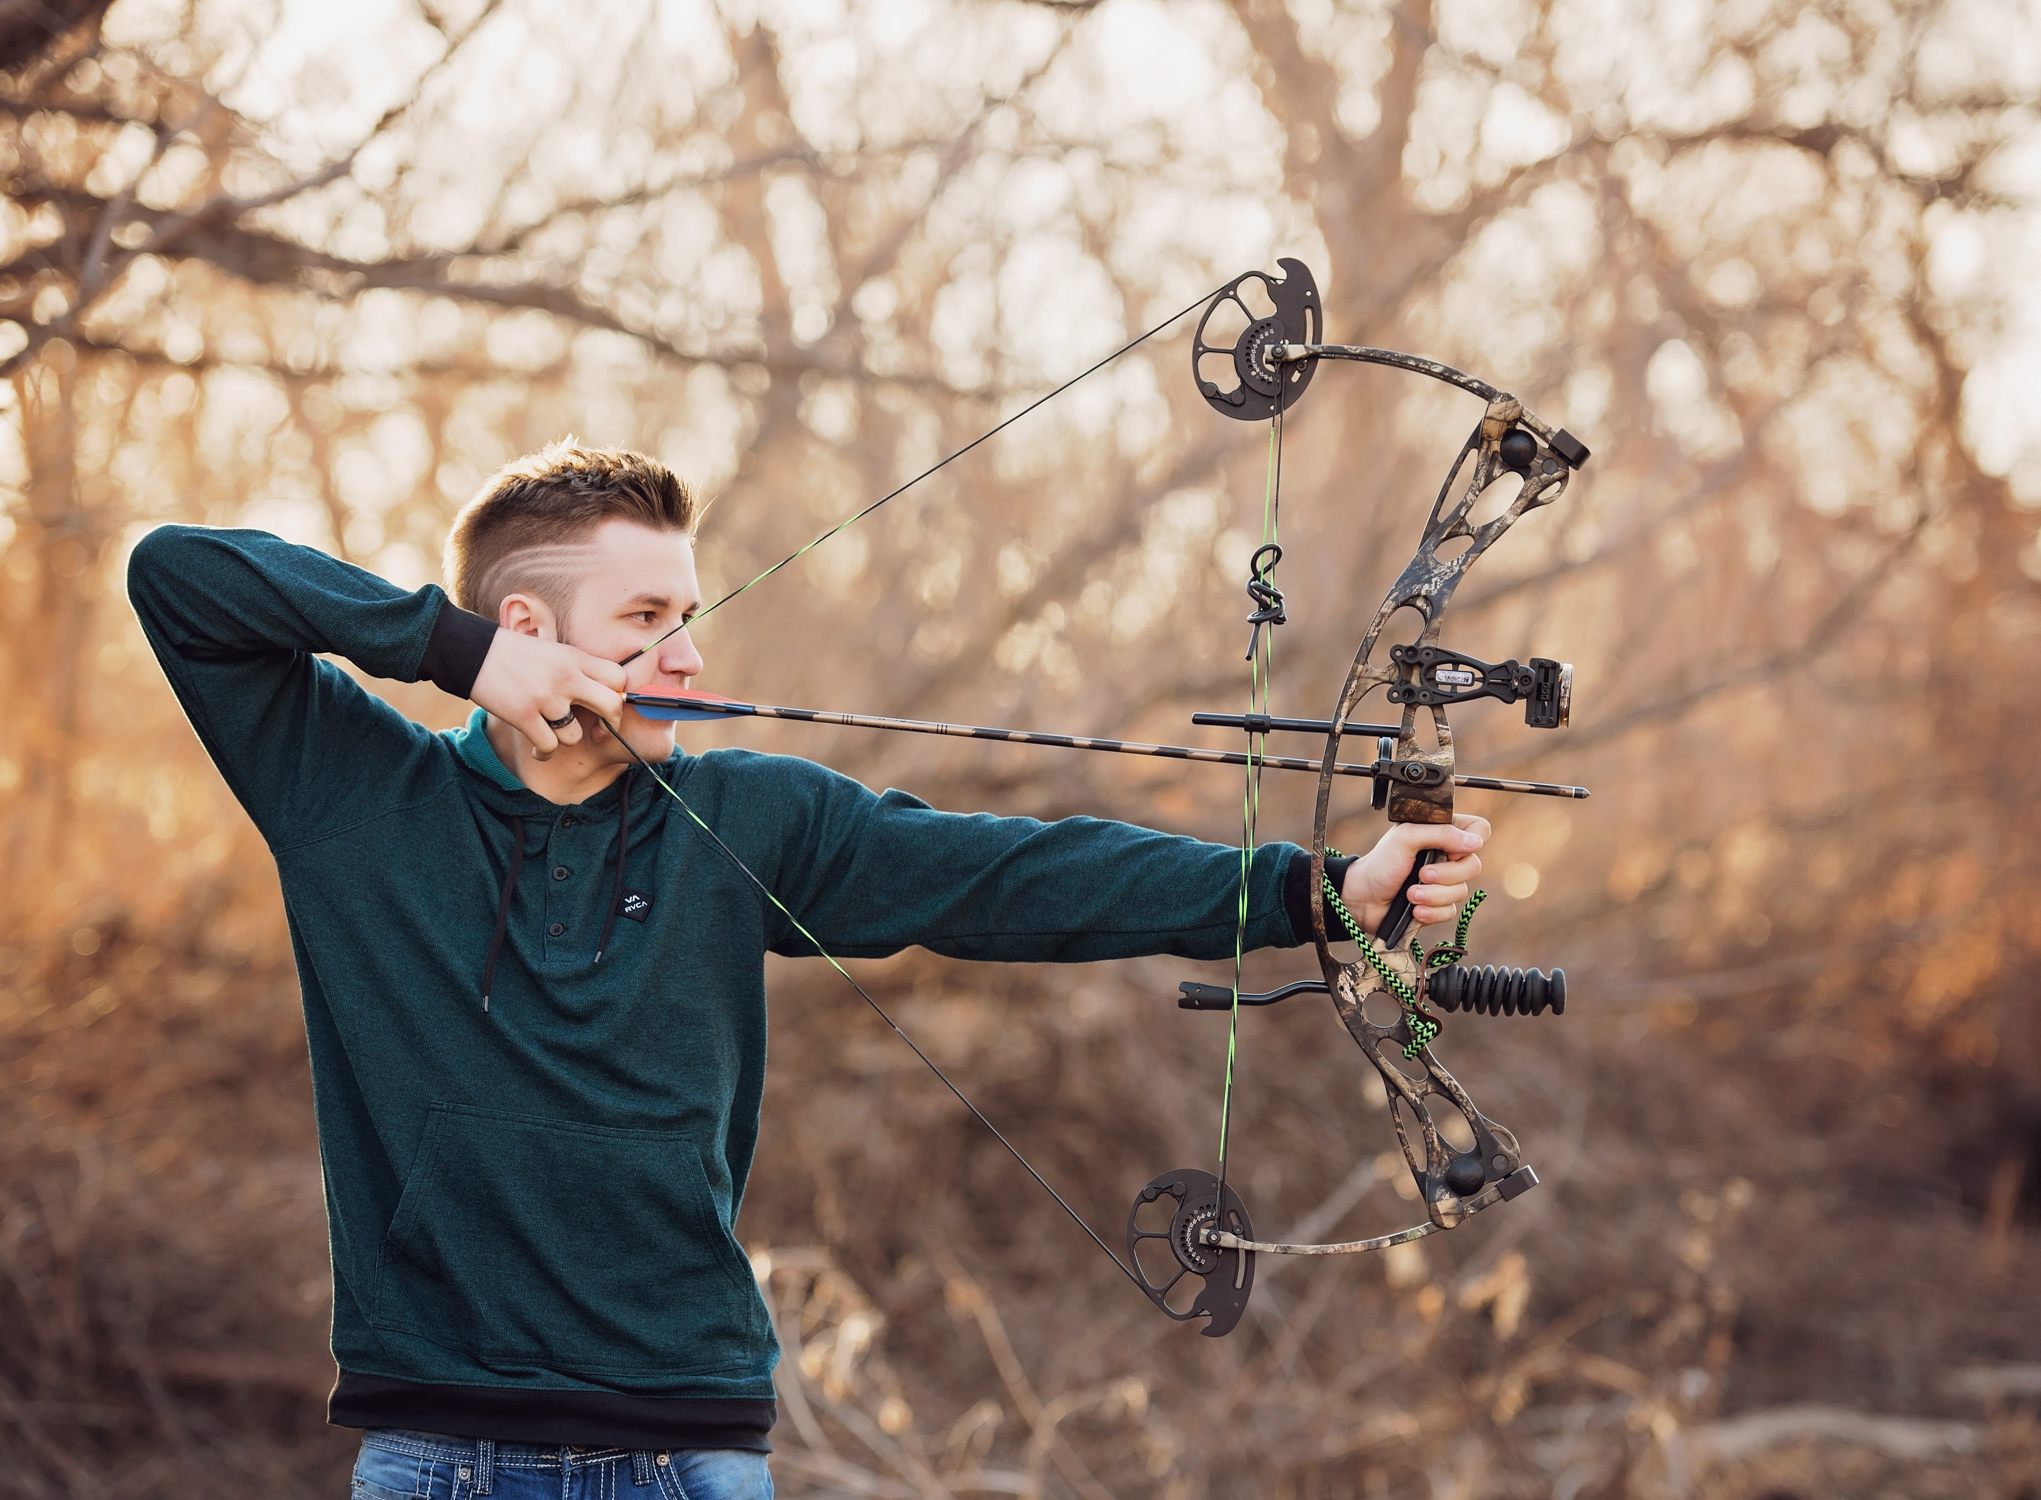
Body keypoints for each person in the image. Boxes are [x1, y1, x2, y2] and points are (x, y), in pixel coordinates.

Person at [127, 440, 1487, 1500]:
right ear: (529, 628)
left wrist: (1316, 891)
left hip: (684, 1447)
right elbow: (177, 577)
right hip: (437, 1453)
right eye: (649, 616)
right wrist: (455, 652)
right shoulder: (357, 799)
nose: (689, 654)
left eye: (691, 613)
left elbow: (1008, 875)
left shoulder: (750, 818)